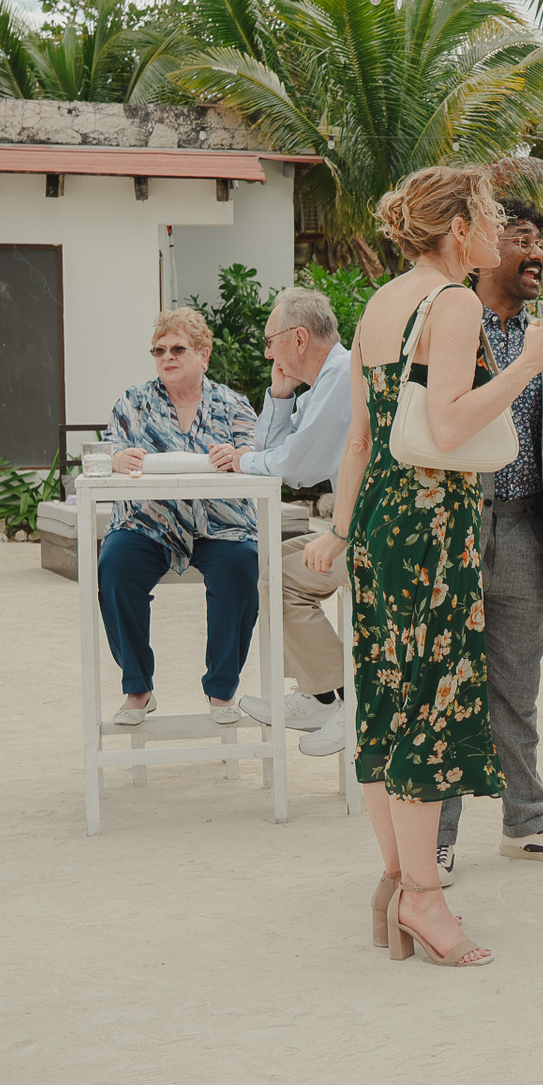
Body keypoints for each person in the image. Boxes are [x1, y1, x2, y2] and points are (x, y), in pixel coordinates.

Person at [301, 166, 543, 967]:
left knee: (389, 701)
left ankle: (396, 881)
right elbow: (452, 426)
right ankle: (424, 897)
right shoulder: (453, 303)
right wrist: (530, 362)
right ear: (459, 229)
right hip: (431, 525)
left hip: (380, 524)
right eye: (489, 219)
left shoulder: (380, 304)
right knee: (430, 705)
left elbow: (359, 440)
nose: (498, 233)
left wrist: (343, 534)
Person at [434, 197, 543, 882]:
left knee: (517, 693)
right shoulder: (447, 323)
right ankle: (435, 839)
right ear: (481, 248)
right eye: (523, 239)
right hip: (453, 535)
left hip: (528, 535)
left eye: (541, 242)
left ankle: (525, 824)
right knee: (445, 689)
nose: (539, 254)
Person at [100, 308, 259, 728]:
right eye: (159, 350)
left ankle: (222, 690)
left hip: (221, 523)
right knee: (114, 567)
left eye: (177, 349)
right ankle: (138, 687)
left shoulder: (233, 403)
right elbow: (108, 448)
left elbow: (256, 452)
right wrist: (117, 458)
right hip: (147, 524)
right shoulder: (132, 401)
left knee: (241, 567)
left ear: (204, 355)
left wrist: (239, 455)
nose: (167, 357)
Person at [218, 288, 355, 752]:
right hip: (353, 524)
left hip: (374, 530)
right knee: (271, 567)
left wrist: (241, 462)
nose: (266, 353)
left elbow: (295, 468)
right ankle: (320, 695)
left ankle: (346, 698)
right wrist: (279, 397)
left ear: (298, 339)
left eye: (269, 341)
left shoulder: (341, 377)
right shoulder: (322, 385)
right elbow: (272, 452)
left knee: (282, 580)